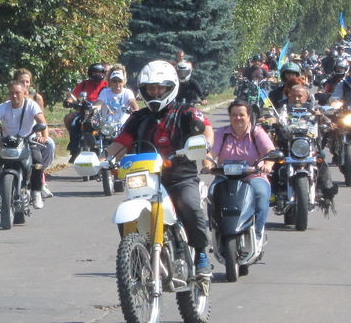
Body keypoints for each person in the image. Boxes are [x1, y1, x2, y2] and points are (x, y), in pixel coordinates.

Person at [106, 60, 215, 275]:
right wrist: (105, 159)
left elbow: (206, 131)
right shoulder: (138, 117)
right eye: (150, 88)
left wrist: (206, 151)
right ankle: (135, 256)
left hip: (180, 176)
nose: (155, 92)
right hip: (145, 178)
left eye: (159, 88)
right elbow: (122, 142)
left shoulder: (186, 112)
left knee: (190, 205)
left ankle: (201, 253)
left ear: (170, 87)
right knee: (128, 212)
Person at [208, 99, 275, 247]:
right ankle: (217, 233)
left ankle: (257, 236)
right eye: (234, 115)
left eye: (241, 114)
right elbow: (211, 154)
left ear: (249, 116)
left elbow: (270, 152)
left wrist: (268, 164)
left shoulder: (257, 132)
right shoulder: (221, 133)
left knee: (261, 194)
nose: (237, 118)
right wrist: (207, 163)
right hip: (225, 177)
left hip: (253, 176)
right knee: (212, 192)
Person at [0, 79, 53, 208]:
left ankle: (36, 191)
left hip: (27, 140)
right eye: (11, 93)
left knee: (37, 161)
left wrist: (44, 137)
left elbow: (42, 123)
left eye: (18, 93)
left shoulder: (31, 105)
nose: (14, 96)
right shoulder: (4, 106)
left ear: (24, 93)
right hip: (8, 142)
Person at [63, 62, 108, 158]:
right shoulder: (83, 84)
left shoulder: (106, 85)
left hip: (100, 112)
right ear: (90, 73)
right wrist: (69, 101)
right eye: (95, 72)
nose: (97, 74)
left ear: (103, 73)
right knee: (72, 121)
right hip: (84, 111)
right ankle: (74, 146)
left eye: (100, 72)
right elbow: (74, 96)